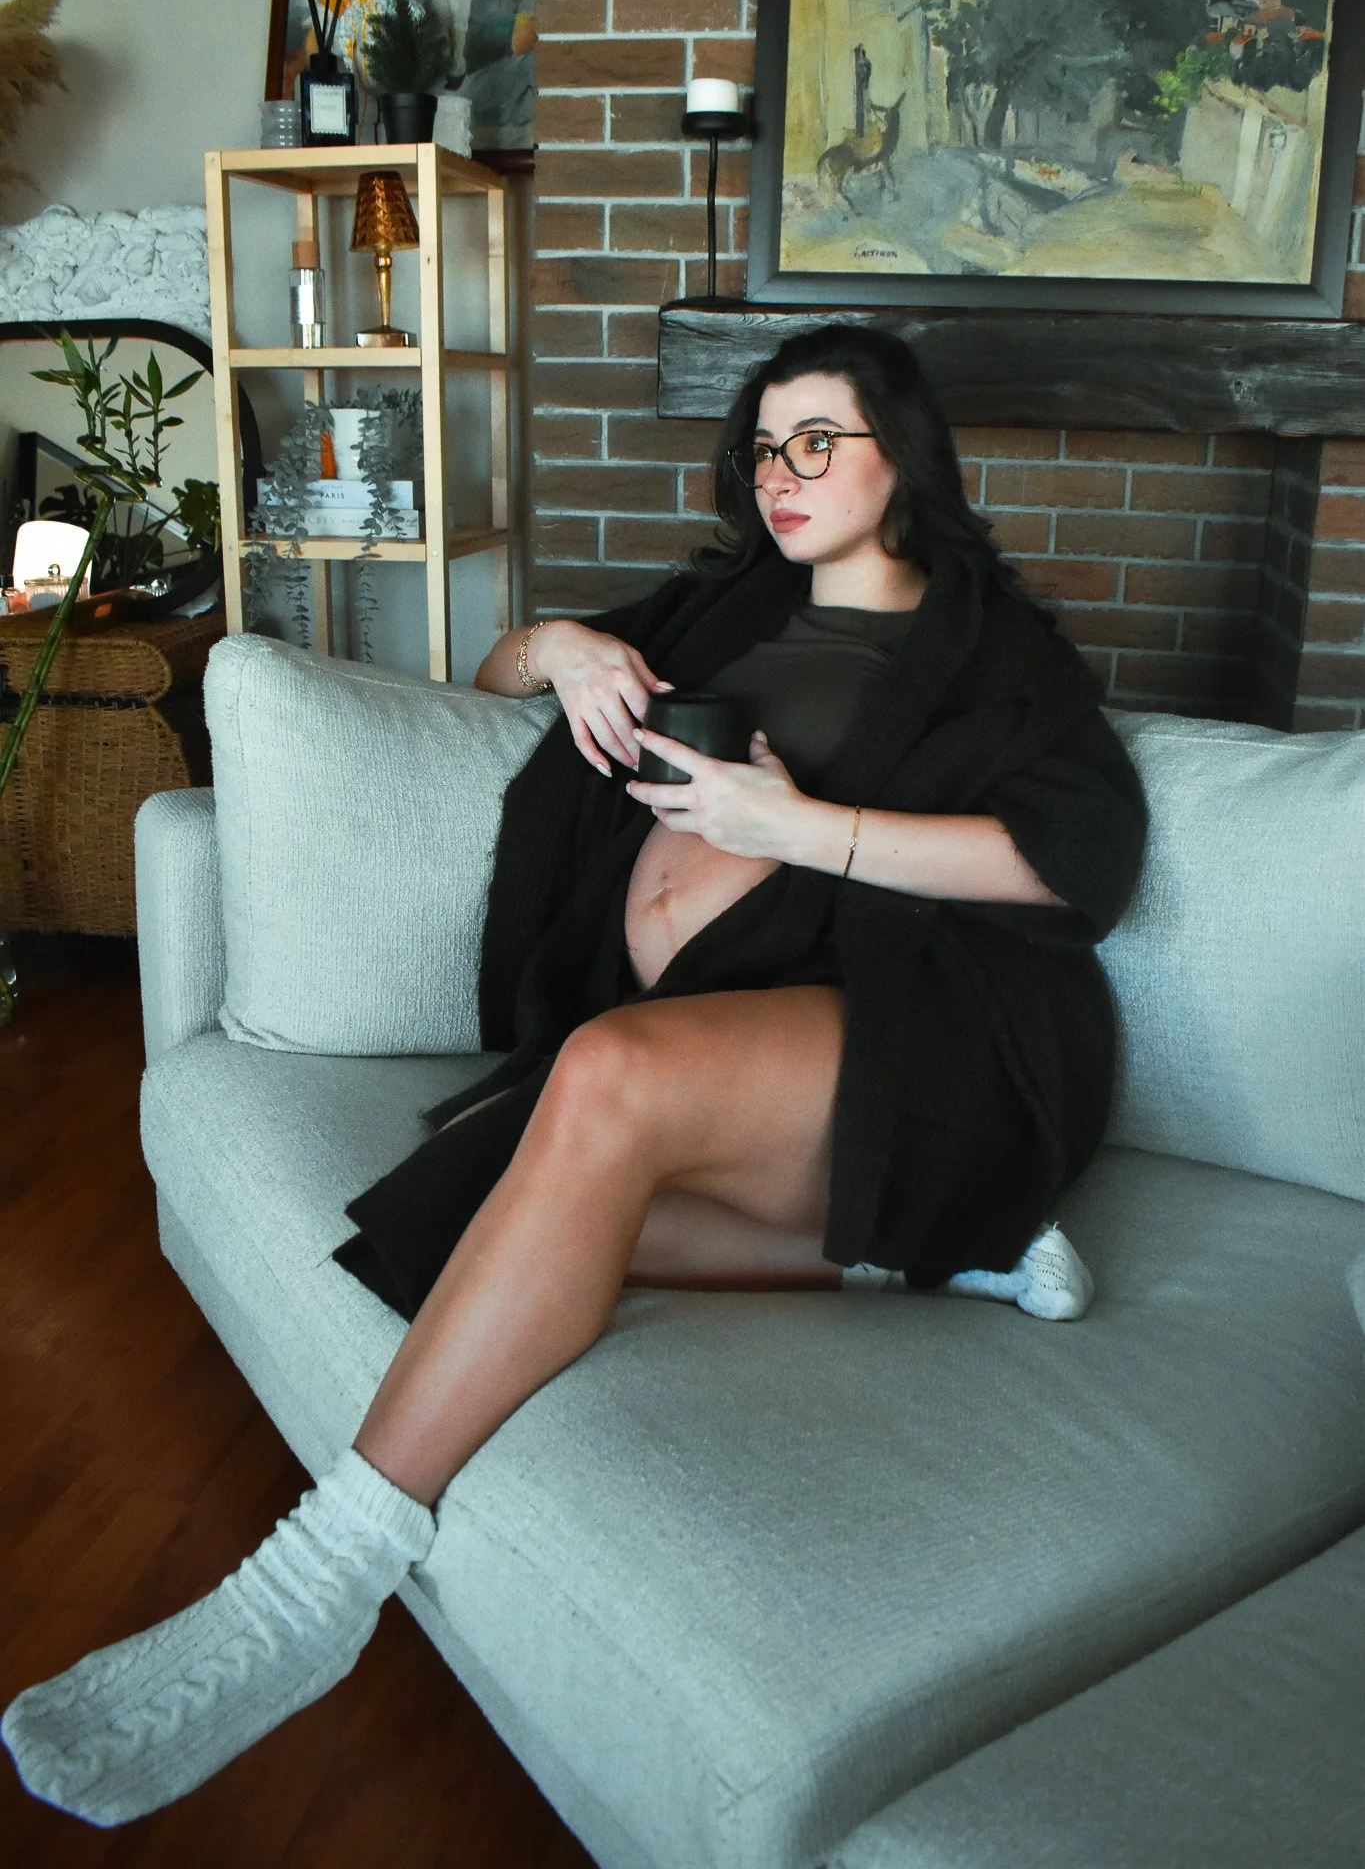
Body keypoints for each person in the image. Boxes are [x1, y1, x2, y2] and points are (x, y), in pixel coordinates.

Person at [2, 326, 1146, 1827]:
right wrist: (567, 648)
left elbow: (1083, 862)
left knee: (594, 1087)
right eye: (765, 445)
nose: (783, 472)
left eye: (820, 441)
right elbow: (492, 678)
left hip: (929, 1031)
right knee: (491, 1200)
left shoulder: (990, 649)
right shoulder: (726, 607)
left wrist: (797, 830)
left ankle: (320, 1576)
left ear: (904, 460)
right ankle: (953, 1238)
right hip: (734, 1052)